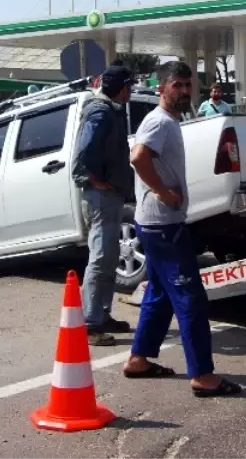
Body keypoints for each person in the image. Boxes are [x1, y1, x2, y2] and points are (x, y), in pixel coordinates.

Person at [123, 61, 241, 397]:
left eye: (189, 86)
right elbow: (138, 156)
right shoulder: (159, 122)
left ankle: (138, 360)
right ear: (162, 88)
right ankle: (203, 376)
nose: (185, 92)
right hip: (162, 225)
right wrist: (162, 191)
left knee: (160, 295)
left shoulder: (170, 121)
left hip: (161, 223)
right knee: (191, 300)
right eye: (178, 86)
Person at [71, 64, 135, 346]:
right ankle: (90, 322)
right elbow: (83, 151)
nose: (131, 91)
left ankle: (102, 314)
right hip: (101, 197)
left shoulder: (109, 110)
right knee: (100, 258)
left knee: (109, 257)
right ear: (121, 88)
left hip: (110, 195)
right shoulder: (99, 111)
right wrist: (92, 179)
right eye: (129, 86)